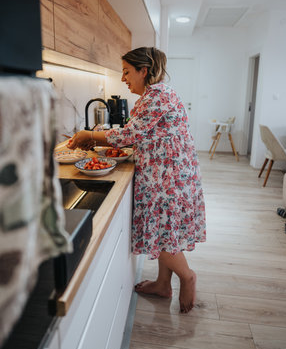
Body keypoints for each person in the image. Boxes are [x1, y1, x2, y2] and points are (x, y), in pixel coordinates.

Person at [68, 47, 206, 313]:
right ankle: (163, 284)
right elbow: (140, 134)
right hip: (169, 173)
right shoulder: (157, 94)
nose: (124, 79)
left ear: (144, 71)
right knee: (164, 231)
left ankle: (187, 277)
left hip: (167, 177)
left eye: (127, 72)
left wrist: (89, 135)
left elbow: (128, 135)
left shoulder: (155, 96)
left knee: (159, 237)